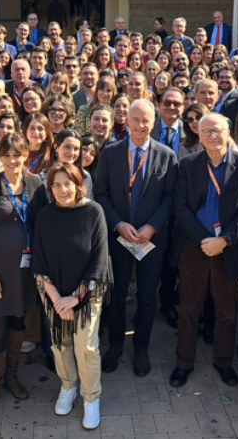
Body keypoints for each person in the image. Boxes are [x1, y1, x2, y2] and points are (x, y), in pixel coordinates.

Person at [170, 113, 238, 388]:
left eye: (216, 131)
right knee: (188, 310)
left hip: (227, 250)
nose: (210, 136)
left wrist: (224, 241)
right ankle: (184, 362)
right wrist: (202, 240)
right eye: (205, 131)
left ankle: (224, 361)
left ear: (228, 132)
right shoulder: (187, 164)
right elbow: (180, 207)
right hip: (194, 248)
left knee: (227, 312)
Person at [95, 100, 177, 377]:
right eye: (136, 119)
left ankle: (141, 346)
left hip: (150, 239)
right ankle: (116, 344)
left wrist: (152, 226)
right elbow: (101, 194)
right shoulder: (111, 153)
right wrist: (118, 224)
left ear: (154, 122)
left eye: (146, 120)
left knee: (146, 296)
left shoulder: (166, 155)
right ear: (126, 120)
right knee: (117, 295)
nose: (141, 126)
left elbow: (169, 196)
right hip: (120, 236)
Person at [0, 132, 49, 417]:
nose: (13, 160)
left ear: (25, 154)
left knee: (18, 324)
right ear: (0, 157)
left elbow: (41, 227)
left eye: (18, 154)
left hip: (24, 272)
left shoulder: (36, 184)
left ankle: (11, 377)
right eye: (7, 154)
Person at [33, 162, 111, 430]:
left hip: (88, 293)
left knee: (86, 347)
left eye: (68, 183)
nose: (62, 189)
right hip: (53, 291)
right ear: (50, 188)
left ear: (80, 186)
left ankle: (91, 398)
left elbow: (100, 262)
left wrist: (74, 299)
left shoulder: (94, 212)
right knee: (59, 344)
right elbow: (39, 263)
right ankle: (68, 385)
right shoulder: (44, 216)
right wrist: (57, 298)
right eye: (56, 185)